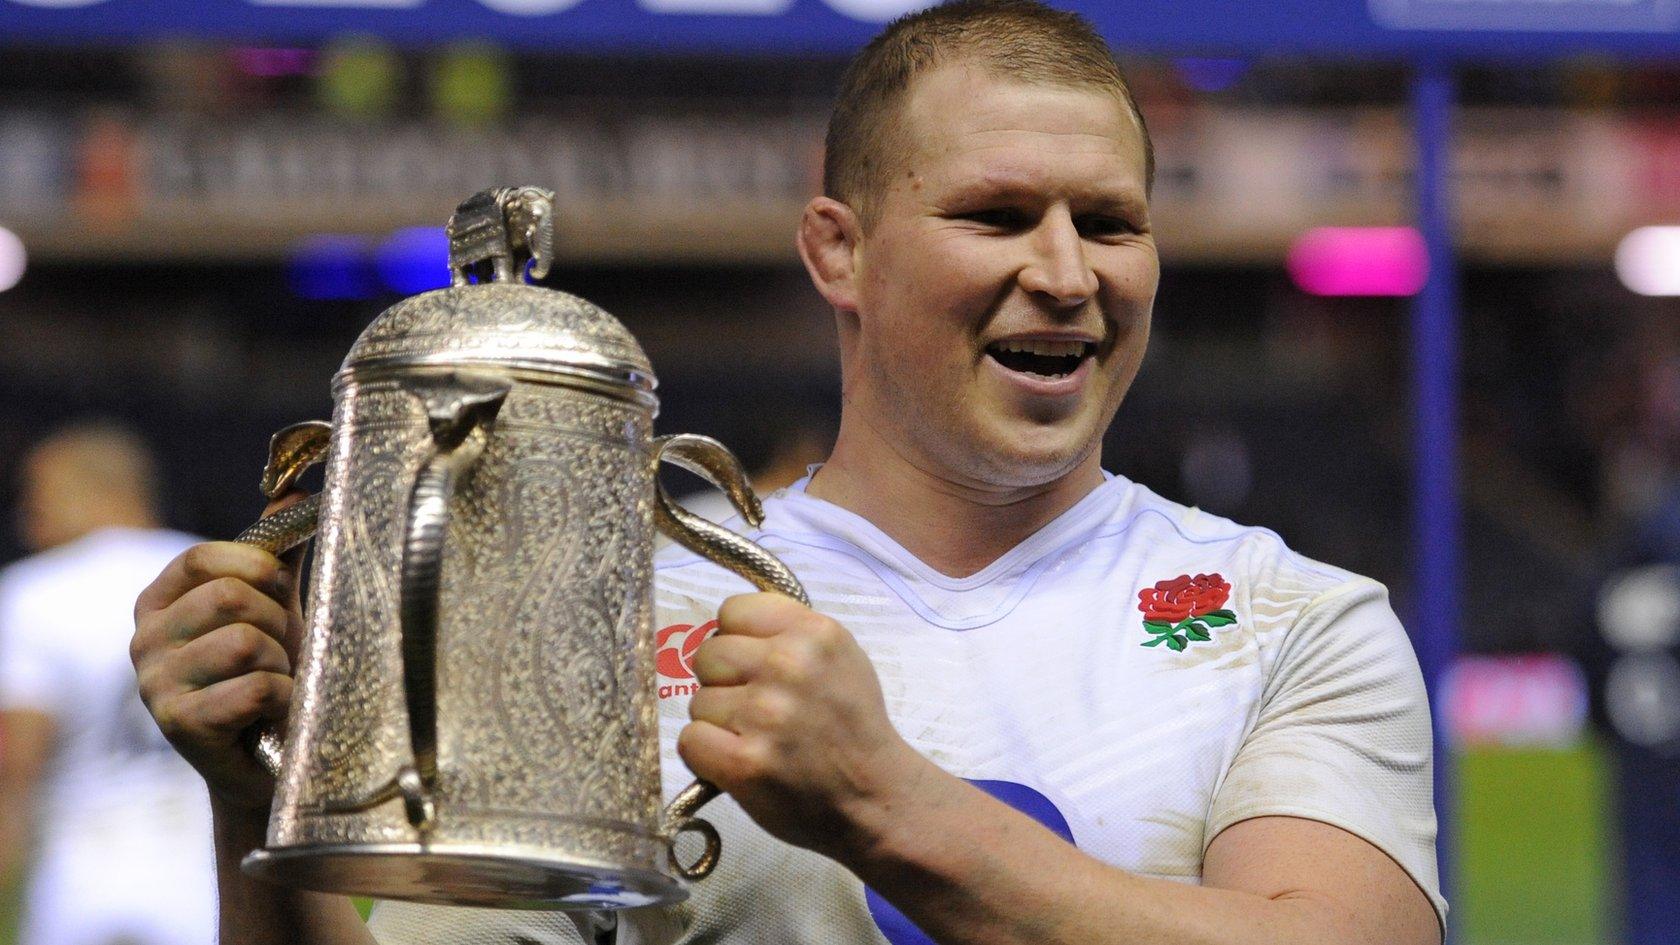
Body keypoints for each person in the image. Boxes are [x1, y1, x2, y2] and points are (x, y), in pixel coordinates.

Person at [128, 2, 1446, 943]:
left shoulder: (1293, 619)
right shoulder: (600, 615)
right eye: (995, 215)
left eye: (1110, 223)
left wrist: (883, 801)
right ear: (838, 251)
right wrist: (258, 803)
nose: (1065, 271)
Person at [0, 423, 215, 945]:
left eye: (41, 495)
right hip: (198, 869)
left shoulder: (34, 589)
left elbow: (17, 766)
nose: (30, 516)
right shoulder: (212, 576)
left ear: (100, 489)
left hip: (79, 868)